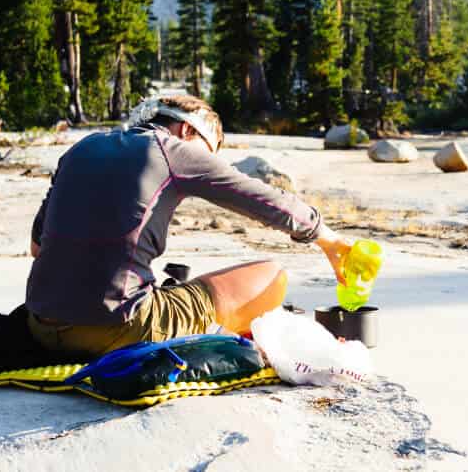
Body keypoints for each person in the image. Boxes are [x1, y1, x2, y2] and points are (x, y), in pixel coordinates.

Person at [25, 94, 352, 359]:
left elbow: (37, 247)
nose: (208, 163)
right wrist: (330, 241)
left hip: (40, 326)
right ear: (187, 131)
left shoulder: (82, 147)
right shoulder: (173, 150)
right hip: (118, 329)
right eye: (209, 154)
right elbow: (263, 199)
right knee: (271, 275)